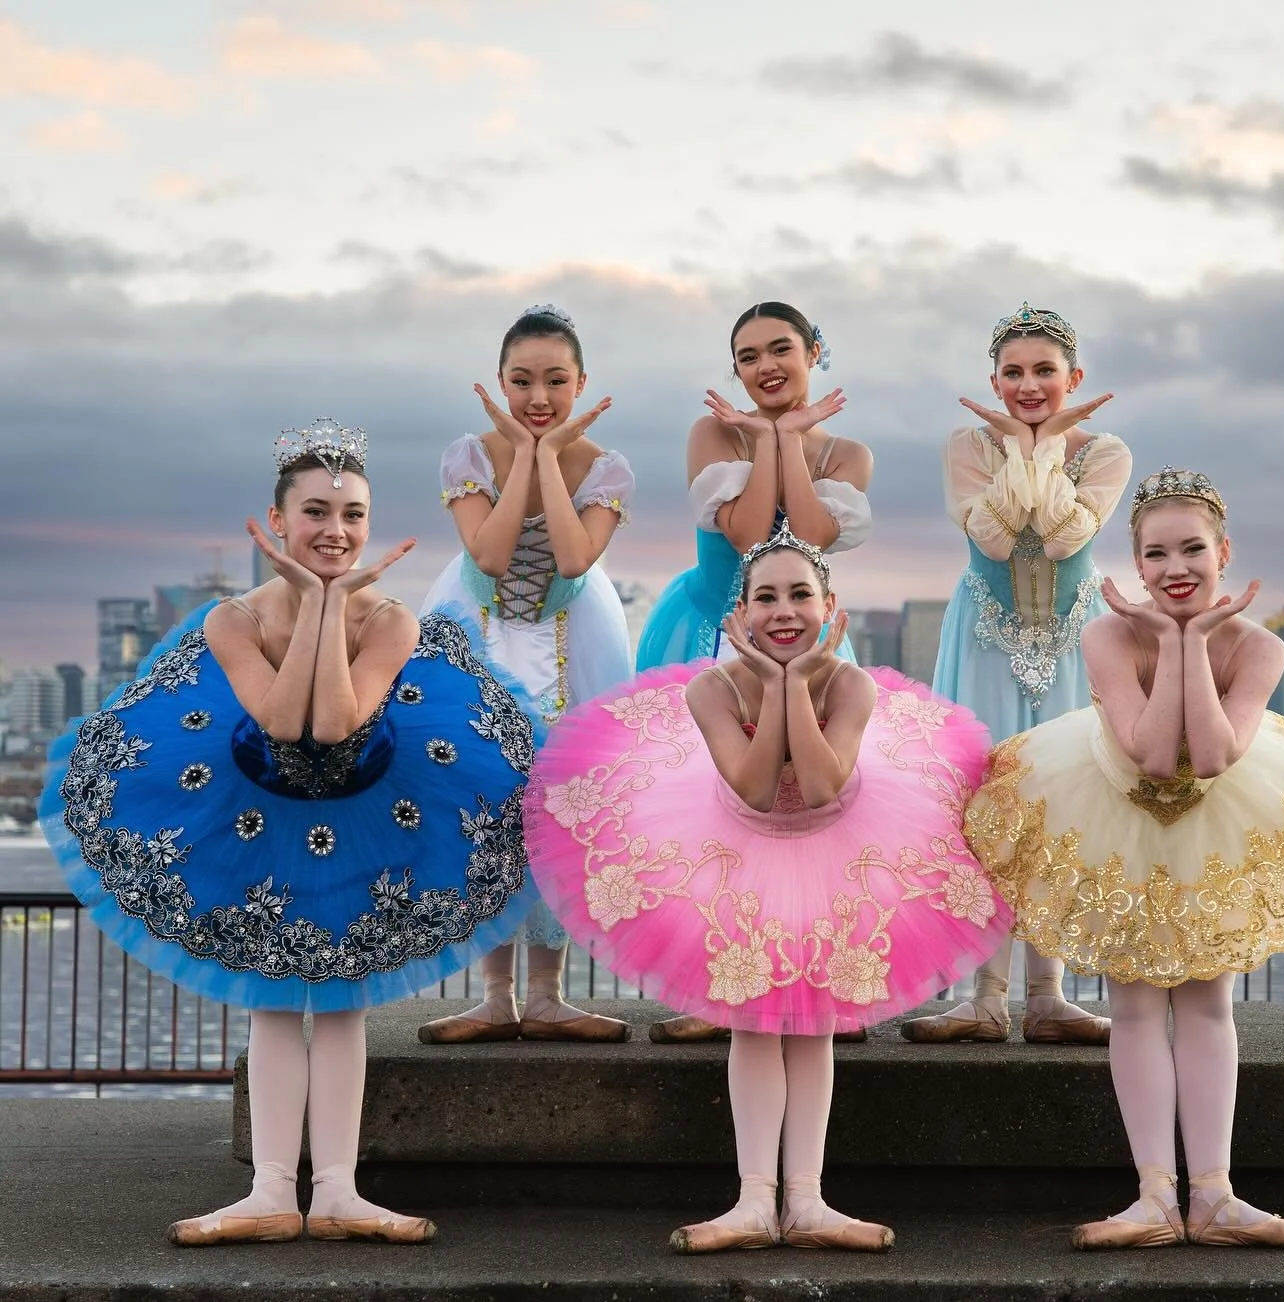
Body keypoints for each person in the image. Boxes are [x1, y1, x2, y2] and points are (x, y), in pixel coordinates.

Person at [40, 419, 538, 1245]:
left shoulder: (389, 621)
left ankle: (339, 1188)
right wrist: (311, 604)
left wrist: (336, 600)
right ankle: (272, 1189)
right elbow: (280, 721)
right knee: (273, 998)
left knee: (339, 1000)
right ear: (277, 524)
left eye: (351, 515)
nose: (334, 531)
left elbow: (338, 725)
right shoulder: (231, 620)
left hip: (372, 807)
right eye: (314, 512)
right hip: (251, 809)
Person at [525, 524, 1012, 1252]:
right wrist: (777, 687)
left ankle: (808, 1201)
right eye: (766, 598)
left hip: (836, 845)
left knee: (813, 1028)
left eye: (800, 595)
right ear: (741, 614)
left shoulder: (849, 683)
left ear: (829, 606)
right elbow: (754, 788)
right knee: (753, 1024)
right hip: (735, 844)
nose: (784, 611)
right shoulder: (711, 687)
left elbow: (818, 787)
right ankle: (754, 1201)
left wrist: (792, 685)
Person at [963, 467, 1284, 1249]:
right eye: (1156, 554)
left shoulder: (1257, 647)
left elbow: (1221, 755)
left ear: (1223, 552)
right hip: (1112, 812)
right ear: (1136, 566)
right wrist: (1168, 637)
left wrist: (1193, 641)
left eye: (1192, 549)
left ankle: (1216, 1197)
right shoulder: (1107, 635)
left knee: (1206, 1005)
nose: (1175, 569)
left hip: (1218, 816)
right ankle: (1154, 1198)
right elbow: (1155, 756)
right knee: (1132, 1006)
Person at [636, 301, 873, 1043]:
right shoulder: (713, 433)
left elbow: (805, 535)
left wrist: (790, 440)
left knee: (810, 817)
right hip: (707, 633)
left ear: (813, 353)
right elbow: (744, 536)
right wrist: (771, 436)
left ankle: (813, 983)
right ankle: (716, 988)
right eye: (747, 356)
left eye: (781, 349)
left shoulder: (848, 455)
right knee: (712, 820)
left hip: (806, 642)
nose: (765, 366)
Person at [904, 303, 1132, 1047]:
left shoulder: (1106, 454)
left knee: (1063, 811)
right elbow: (996, 542)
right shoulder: (964, 448)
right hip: (984, 644)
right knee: (986, 810)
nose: (1029, 385)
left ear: (1075, 378)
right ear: (994, 381)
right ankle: (983, 998)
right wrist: (1023, 453)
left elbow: (1069, 536)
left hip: (1073, 645)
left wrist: (1046, 449)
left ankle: (1049, 996)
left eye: (1044, 371)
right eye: (1014, 372)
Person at [415, 304, 637, 1046]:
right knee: (484, 804)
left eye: (555, 380)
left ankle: (548, 995)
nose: (538, 398)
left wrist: (545, 458)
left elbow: (573, 561)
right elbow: (490, 554)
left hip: (575, 633)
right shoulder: (467, 456)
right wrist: (522, 456)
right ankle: (493, 995)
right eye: (521, 380)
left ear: (582, 383)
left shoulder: (607, 469)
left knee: (561, 811)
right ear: (500, 381)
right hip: (478, 631)